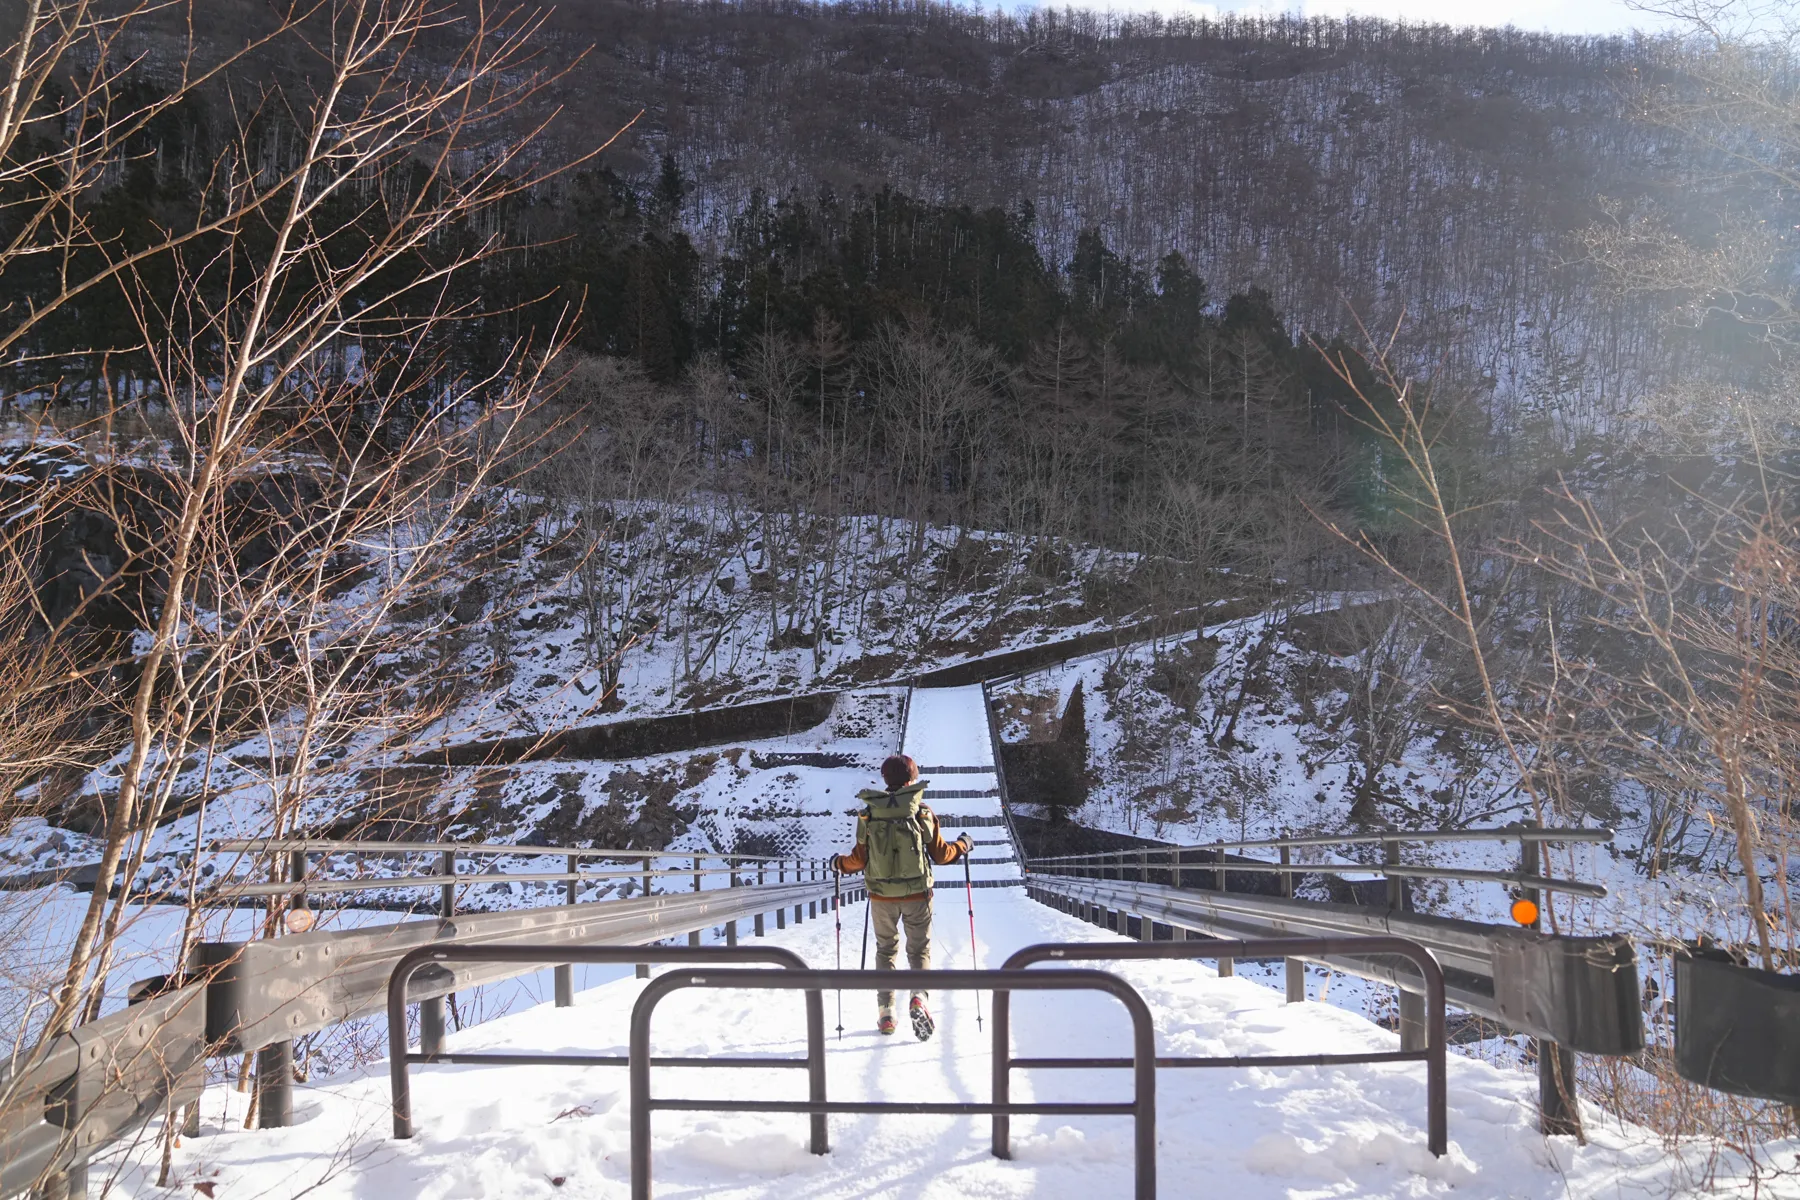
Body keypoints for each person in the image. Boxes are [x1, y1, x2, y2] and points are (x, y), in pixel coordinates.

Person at [831, 752, 974, 1040]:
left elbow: (858, 860)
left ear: (885, 779)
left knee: (886, 950)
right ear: (912, 778)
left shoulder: (868, 815)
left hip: (881, 897)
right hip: (918, 895)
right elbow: (941, 855)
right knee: (919, 950)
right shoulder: (922, 812)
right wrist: (963, 845)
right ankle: (919, 997)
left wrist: (839, 863)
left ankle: (886, 1014)